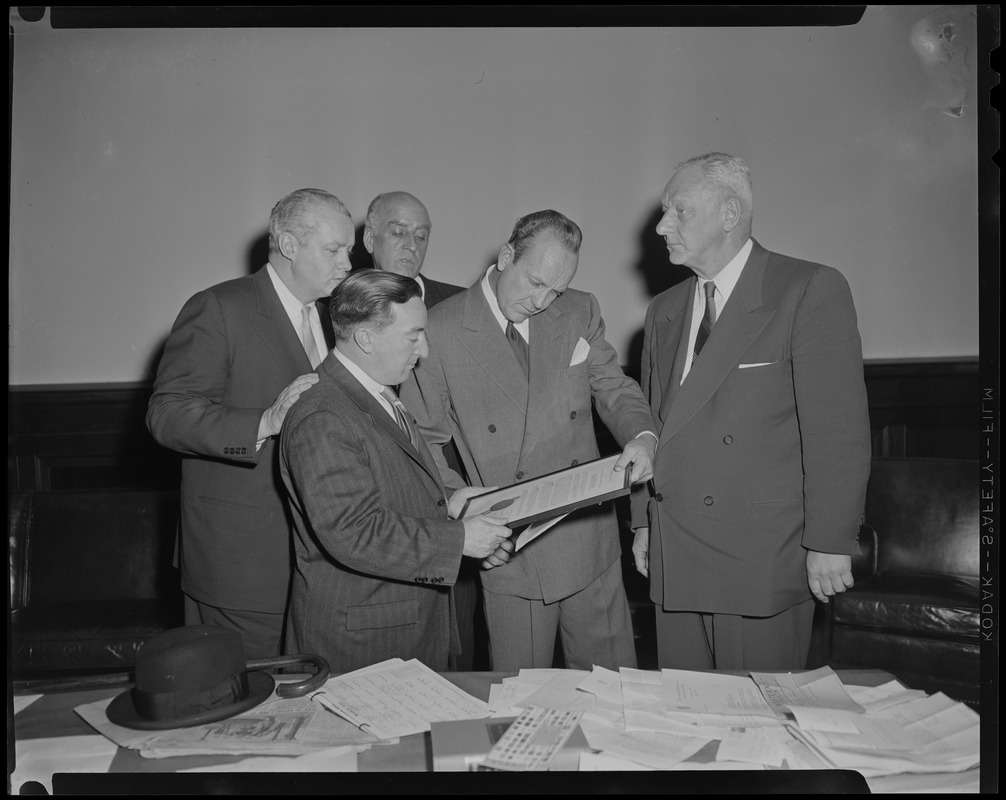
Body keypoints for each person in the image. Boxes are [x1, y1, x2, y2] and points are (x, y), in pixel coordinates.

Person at [630, 152, 872, 671]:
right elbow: (650, 426)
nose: (661, 225)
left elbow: (838, 431)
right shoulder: (664, 310)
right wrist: (642, 522)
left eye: (680, 211)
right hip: (675, 547)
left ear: (729, 213)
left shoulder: (806, 289)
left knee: (756, 729)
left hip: (760, 555)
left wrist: (830, 541)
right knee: (683, 722)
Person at [401, 209, 657, 671]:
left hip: (590, 538)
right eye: (535, 282)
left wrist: (642, 436)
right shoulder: (439, 328)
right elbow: (420, 439)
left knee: (616, 695)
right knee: (520, 702)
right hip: (510, 548)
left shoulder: (579, 309)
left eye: (555, 290)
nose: (543, 301)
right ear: (505, 257)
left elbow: (614, 388)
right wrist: (459, 501)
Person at [147, 188, 354, 659]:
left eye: (349, 249)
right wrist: (264, 421)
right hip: (240, 565)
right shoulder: (219, 307)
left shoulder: (329, 318)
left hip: (316, 561)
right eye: (333, 249)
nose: (347, 262)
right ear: (287, 244)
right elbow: (167, 414)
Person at [279, 270, 513, 673]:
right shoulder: (323, 415)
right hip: (363, 642)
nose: (424, 349)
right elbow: (353, 532)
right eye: (413, 335)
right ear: (366, 339)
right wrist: (458, 540)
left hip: (400, 624)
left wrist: (456, 504)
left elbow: (393, 489)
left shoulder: (376, 391)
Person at [364, 190, 484, 669]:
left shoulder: (457, 303)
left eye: (421, 234)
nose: (411, 244)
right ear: (370, 236)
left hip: (447, 481)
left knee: (459, 633)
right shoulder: (340, 305)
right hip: (375, 489)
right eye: (398, 231)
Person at [363, 191, 464, 307]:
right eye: (398, 233)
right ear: (369, 239)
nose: (412, 246)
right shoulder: (344, 305)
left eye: (420, 237)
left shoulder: (461, 304)